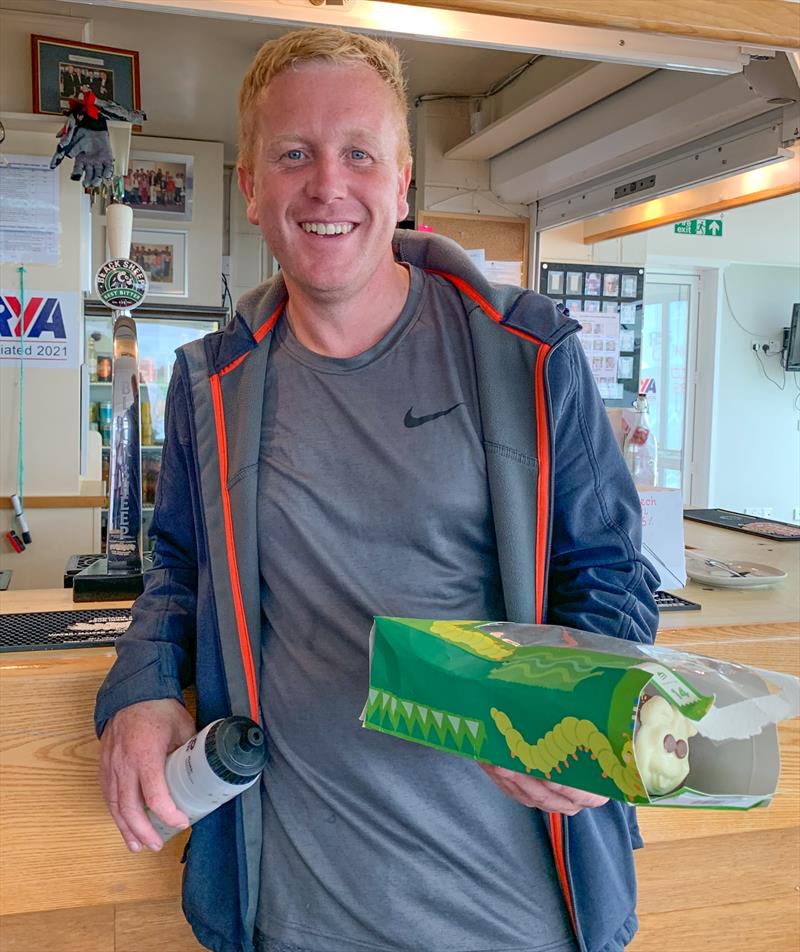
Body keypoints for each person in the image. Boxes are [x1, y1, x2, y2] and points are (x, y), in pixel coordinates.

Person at [95, 26, 659, 952]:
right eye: (293, 154)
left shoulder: (528, 352)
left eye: (359, 153)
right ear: (249, 186)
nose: (327, 184)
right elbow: (178, 570)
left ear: (402, 184)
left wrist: (595, 713)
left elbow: (607, 570)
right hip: (294, 910)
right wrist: (144, 689)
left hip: (516, 910)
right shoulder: (207, 384)